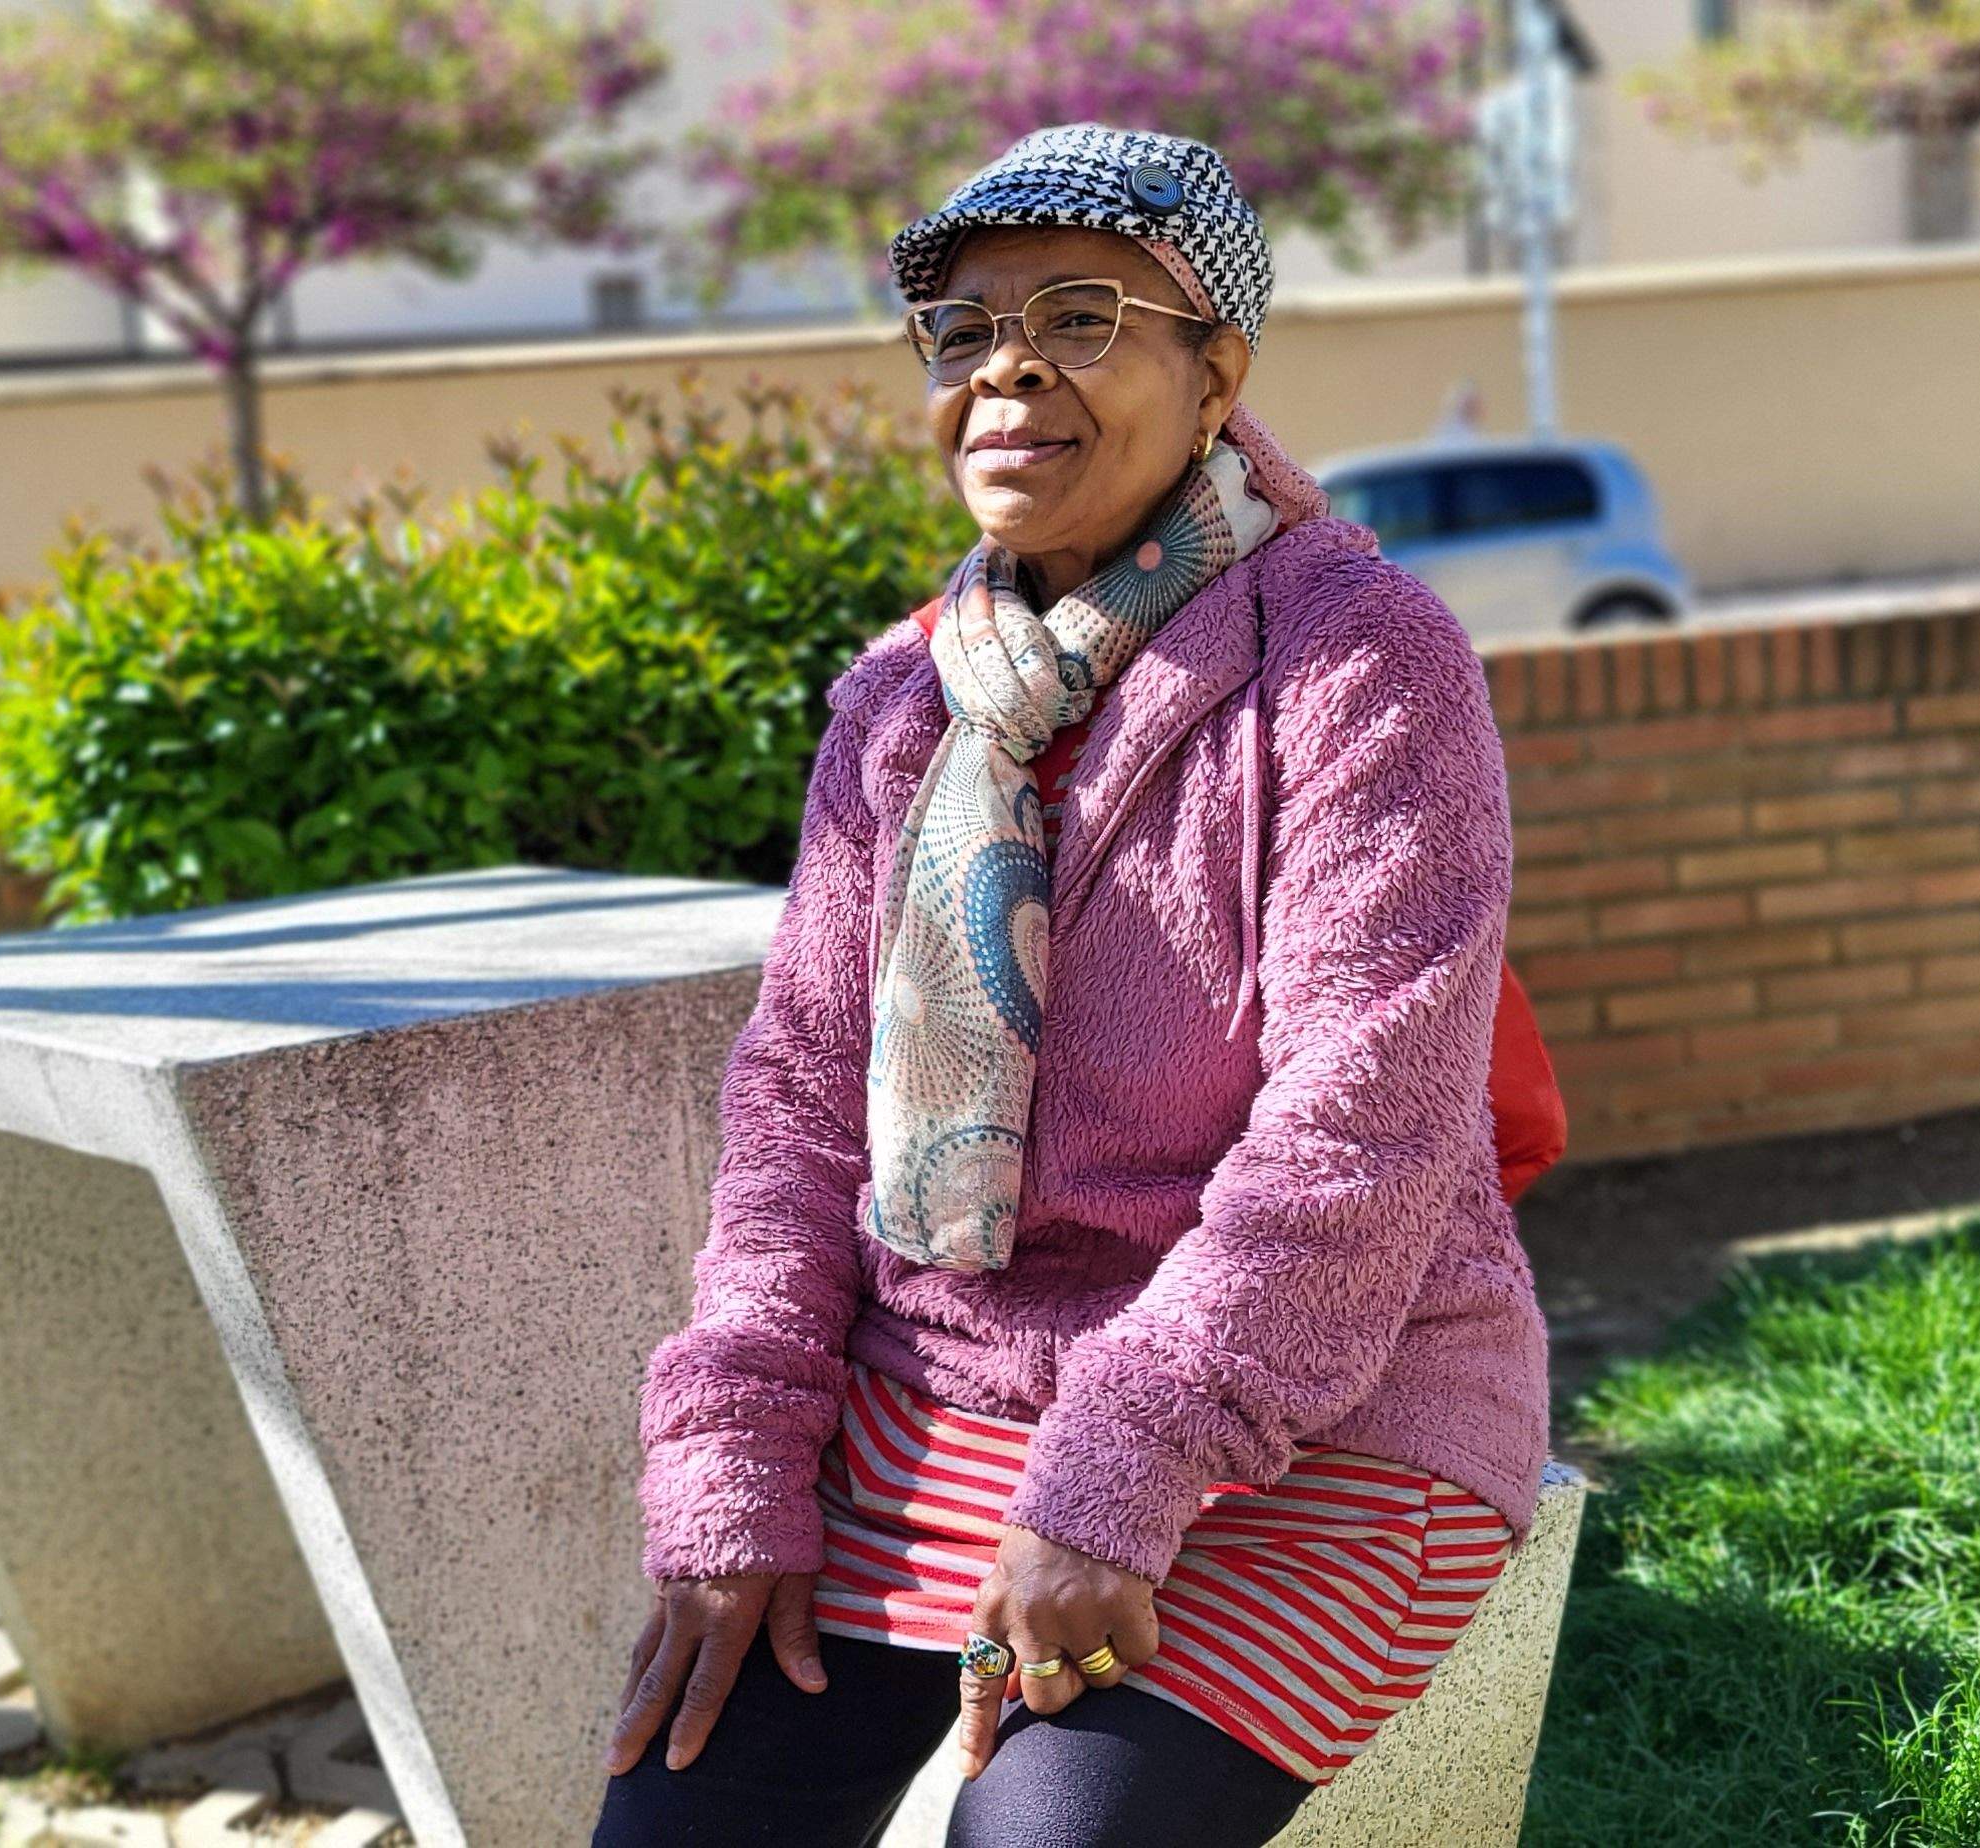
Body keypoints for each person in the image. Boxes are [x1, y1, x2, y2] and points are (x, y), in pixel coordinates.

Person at [593, 125, 1559, 1848]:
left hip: (1311, 1419)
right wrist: (733, 1464)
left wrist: (1114, 1480)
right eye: (962, 331)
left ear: (1218, 376)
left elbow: (1358, 1140)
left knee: (1042, 1842)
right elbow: (803, 1108)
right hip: (938, 1397)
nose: (1007, 370)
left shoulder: (1357, 661)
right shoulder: (901, 702)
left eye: (1084, 315)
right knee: (680, 1821)